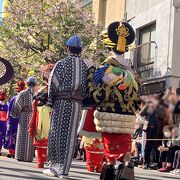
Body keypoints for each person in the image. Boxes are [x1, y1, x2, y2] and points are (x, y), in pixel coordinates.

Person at [85, 22, 140, 180]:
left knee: (110, 145)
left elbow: (96, 93)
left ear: (110, 47)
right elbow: (138, 95)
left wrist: (90, 73)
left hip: (109, 114)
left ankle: (110, 168)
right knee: (124, 141)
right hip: (127, 115)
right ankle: (127, 164)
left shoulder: (105, 68)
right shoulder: (132, 71)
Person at [43, 35, 88, 179]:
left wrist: (50, 101)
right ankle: (64, 171)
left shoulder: (61, 63)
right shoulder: (85, 66)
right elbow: (88, 87)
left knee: (56, 134)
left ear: (67, 48)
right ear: (81, 49)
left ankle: (55, 167)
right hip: (76, 105)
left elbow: (53, 83)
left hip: (61, 102)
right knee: (70, 137)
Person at [29, 64, 54, 168]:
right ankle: (41, 161)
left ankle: (46, 161)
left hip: (49, 112)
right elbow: (36, 96)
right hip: (42, 112)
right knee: (41, 136)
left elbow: (36, 96)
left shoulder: (52, 87)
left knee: (48, 136)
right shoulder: (43, 87)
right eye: (47, 72)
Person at [11, 77, 37, 162]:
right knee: (30, 135)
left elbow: (17, 105)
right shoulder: (37, 94)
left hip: (24, 116)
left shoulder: (22, 93)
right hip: (33, 116)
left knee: (22, 135)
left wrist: (15, 114)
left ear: (27, 83)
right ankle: (28, 157)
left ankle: (21, 156)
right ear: (35, 84)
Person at [4, 80, 26, 158]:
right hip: (22, 118)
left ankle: (11, 152)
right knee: (17, 135)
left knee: (12, 134)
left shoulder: (14, 98)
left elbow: (9, 110)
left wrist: (8, 119)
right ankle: (16, 152)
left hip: (13, 118)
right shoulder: (26, 97)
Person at [0, 90, 8, 155]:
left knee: (2, 136)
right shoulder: (6, 106)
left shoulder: (6, 105)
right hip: (3, 123)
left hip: (3, 123)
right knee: (1, 136)